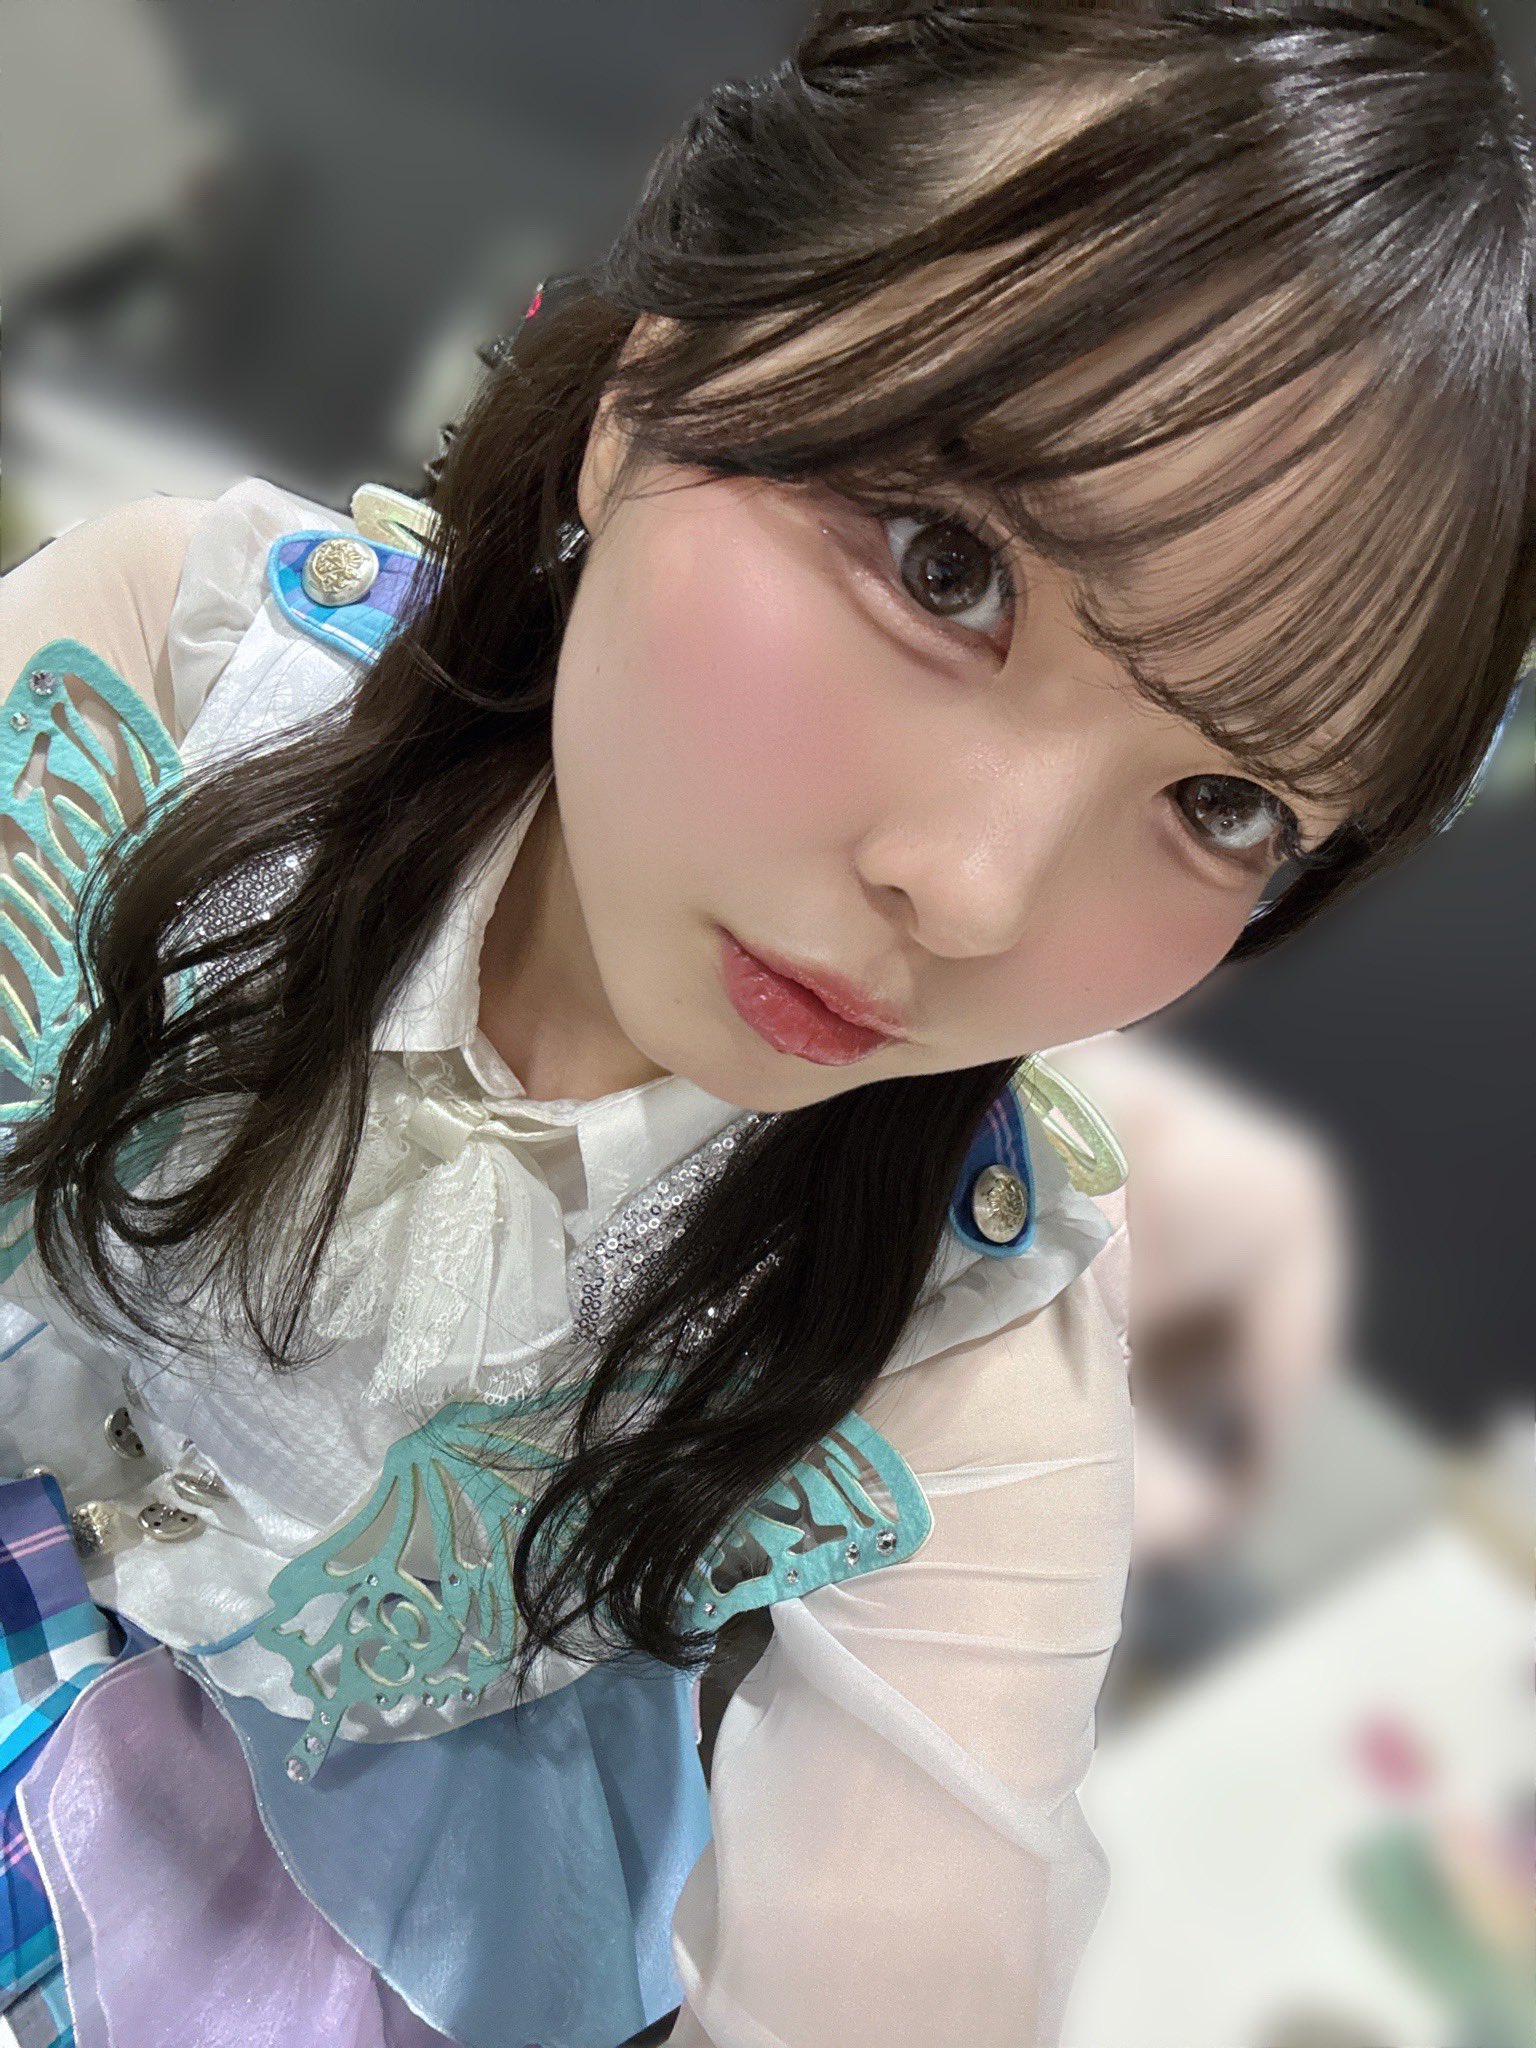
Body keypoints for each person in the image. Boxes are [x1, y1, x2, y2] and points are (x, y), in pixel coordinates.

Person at [0, 5, 1530, 2045]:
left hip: (344, 1896)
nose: (971, 894)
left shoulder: (962, 1344)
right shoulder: (167, 688)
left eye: (1223, 804)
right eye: (946, 566)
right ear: (650, 389)